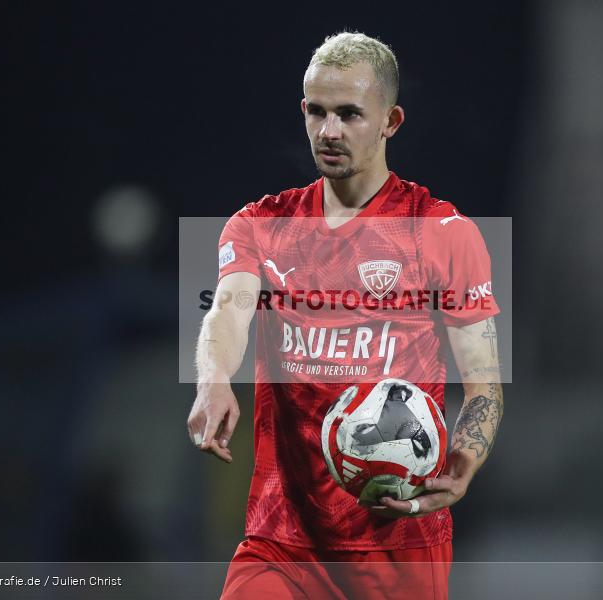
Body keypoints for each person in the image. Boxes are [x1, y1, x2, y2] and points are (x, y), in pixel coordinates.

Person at [187, 32, 504, 599]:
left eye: (349, 114)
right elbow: (230, 308)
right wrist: (212, 380)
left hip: (399, 542)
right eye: (317, 111)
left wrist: (465, 463)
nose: (328, 131)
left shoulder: (444, 234)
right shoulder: (260, 225)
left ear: (391, 121)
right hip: (282, 540)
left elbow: (483, 387)